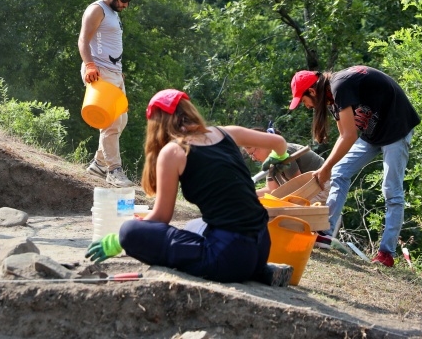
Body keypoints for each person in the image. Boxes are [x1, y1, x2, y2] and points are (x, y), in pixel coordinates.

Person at [85, 89, 294, 285]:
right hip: (261, 245)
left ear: (156, 123)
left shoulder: (174, 151)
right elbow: (279, 142)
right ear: (189, 111)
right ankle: (259, 270)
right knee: (195, 225)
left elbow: (161, 218)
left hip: (229, 256)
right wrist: (280, 158)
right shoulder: (226, 133)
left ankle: (242, 268)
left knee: (130, 231)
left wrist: (119, 238)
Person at [289, 66, 421, 267]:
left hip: (396, 129)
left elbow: (349, 136)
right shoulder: (332, 99)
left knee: (391, 190)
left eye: (303, 100)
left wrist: (325, 169)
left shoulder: (340, 86)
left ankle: (386, 253)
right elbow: (345, 137)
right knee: (339, 172)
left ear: (312, 91)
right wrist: (328, 169)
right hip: (373, 133)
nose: (306, 106)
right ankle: (324, 232)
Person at [78, 0, 137, 187]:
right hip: (100, 72)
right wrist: (90, 65)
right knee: (110, 123)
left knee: (121, 121)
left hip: (114, 73)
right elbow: (83, 39)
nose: (125, 4)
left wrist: (119, 72)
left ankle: (99, 163)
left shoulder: (112, 12)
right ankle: (114, 170)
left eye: (128, 0)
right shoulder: (97, 9)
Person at [246, 127, 330, 203]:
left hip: (322, 182)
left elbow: (298, 186)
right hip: (308, 188)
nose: (253, 158)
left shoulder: (283, 153)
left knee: (294, 210)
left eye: (252, 153)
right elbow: (271, 190)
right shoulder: (270, 162)